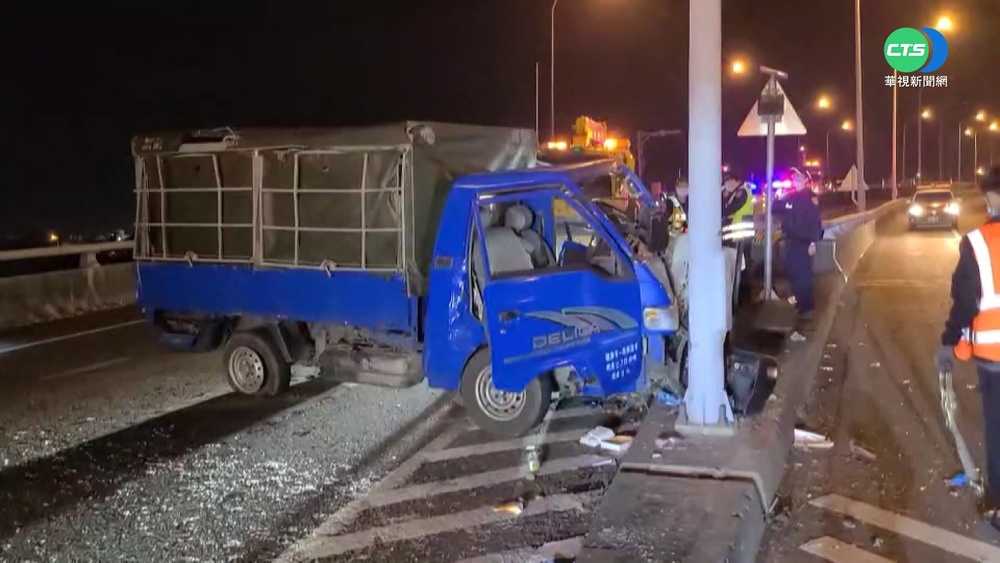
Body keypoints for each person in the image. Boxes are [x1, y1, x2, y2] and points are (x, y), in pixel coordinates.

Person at [936, 166, 1000, 530]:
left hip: (994, 358)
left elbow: (965, 302)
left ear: (990, 198)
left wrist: (950, 342)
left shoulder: (977, 242)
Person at [778, 168, 822, 320]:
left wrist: (813, 242)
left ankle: (807, 307)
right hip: (791, 241)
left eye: (799, 177)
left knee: (804, 275)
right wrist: (780, 196)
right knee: (794, 274)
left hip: (803, 243)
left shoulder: (810, 198)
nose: (795, 179)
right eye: (794, 177)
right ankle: (800, 304)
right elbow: (775, 208)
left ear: (806, 180)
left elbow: (815, 222)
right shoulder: (790, 197)